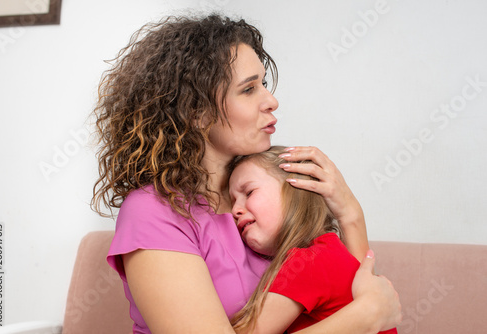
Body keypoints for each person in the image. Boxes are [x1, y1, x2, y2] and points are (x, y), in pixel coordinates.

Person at [91, 14, 401, 334]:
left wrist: (349, 210)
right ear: (196, 111)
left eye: (263, 84)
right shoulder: (154, 211)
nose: (271, 101)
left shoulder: (267, 194)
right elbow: (365, 310)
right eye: (249, 89)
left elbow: (340, 287)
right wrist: (367, 315)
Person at [228, 146, 398, 334]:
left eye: (249, 192)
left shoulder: (308, 261)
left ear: (294, 189)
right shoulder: (331, 252)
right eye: (232, 201)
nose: (235, 210)